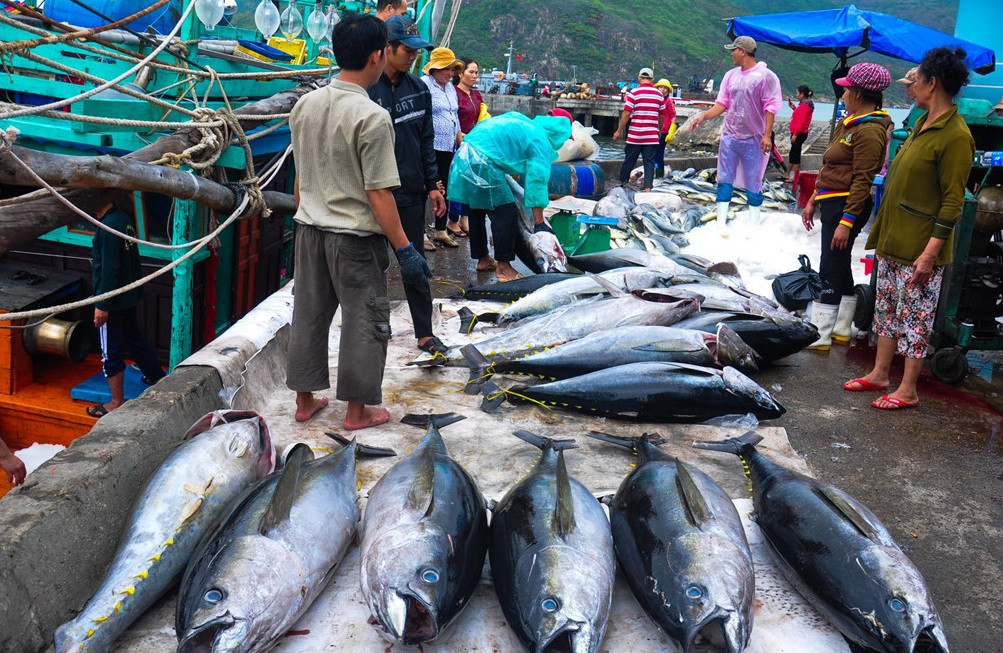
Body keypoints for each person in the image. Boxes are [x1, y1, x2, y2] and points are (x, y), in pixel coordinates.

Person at [285, 13, 430, 429]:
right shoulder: (372, 117)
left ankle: (304, 401)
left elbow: (301, 179)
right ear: (377, 56)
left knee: (308, 313)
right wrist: (405, 248)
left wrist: (305, 213)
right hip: (354, 238)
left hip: (309, 229)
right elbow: (379, 194)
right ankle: (357, 410)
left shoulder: (305, 105)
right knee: (364, 318)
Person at [845, 47, 975, 410]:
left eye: (915, 81)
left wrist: (930, 253)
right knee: (886, 310)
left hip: (920, 246)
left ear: (933, 83)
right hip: (894, 238)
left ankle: (908, 389)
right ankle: (880, 373)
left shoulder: (955, 135)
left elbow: (953, 201)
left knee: (915, 318)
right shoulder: (921, 121)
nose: (910, 88)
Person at [369, 15, 448, 356]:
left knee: (414, 262)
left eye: (417, 51)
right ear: (388, 48)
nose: (414, 56)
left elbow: (426, 140)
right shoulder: (365, 90)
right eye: (408, 50)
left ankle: (424, 333)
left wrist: (433, 184)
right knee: (371, 264)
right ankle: (370, 328)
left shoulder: (419, 90)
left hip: (411, 192)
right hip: (372, 194)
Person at [800, 63, 892, 350]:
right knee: (839, 263)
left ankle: (820, 334)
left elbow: (863, 179)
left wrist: (847, 221)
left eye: (847, 88)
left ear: (859, 93)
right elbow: (831, 166)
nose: (843, 92)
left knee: (829, 265)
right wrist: (813, 199)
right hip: (832, 201)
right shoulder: (849, 123)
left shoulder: (870, 131)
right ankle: (841, 328)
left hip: (846, 204)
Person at [448, 112, 571, 282]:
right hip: (482, 160)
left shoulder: (525, 122)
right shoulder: (540, 141)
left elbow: (504, 144)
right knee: (506, 213)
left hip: (465, 154)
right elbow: (537, 182)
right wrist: (539, 223)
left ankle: (483, 258)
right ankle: (504, 267)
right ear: (557, 135)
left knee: (478, 208)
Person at [688, 36, 782, 229]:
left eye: (734, 50)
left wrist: (766, 135)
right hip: (730, 135)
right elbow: (723, 103)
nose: (731, 53)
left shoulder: (766, 76)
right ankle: (721, 221)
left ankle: (753, 223)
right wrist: (703, 116)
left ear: (743, 51)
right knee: (724, 177)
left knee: (753, 180)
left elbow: (771, 107)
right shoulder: (731, 75)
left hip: (753, 138)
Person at [87, 204, 166, 418]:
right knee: (134, 338)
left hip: (112, 301)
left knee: (109, 351)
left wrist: (102, 304)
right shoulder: (123, 218)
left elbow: (110, 268)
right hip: (127, 296)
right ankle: (156, 377)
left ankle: (116, 402)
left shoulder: (108, 227)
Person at [420, 47, 463, 249]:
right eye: (446, 68)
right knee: (425, 188)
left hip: (448, 146)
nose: (450, 73)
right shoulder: (424, 85)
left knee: (445, 187)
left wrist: (459, 138)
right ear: (434, 68)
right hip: (430, 146)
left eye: (452, 69)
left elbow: (454, 116)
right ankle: (419, 232)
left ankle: (440, 229)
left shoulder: (450, 88)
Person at [452, 58, 486, 252]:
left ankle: (465, 218)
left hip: (473, 144)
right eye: (471, 72)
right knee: (458, 182)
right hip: (457, 143)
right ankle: (453, 219)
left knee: (471, 183)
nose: (474, 76)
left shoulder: (476, 94)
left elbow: (481, 118)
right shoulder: (454, 93)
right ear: (460, 73)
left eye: (476, 73)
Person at [613, 67, 666, 191]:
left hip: (635, 136)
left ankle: (622, 184)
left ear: (639, 78)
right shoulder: (659, 95)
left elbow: (626, 114)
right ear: (652, 79)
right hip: (651, 136)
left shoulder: (634, 93)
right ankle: (648, 188)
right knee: (649, 162)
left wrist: (619, 130)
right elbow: (662, 115)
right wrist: (658, 130)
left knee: (629, 160)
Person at [785, 85, 814, 184]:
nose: (796, 95)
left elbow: (801, 121)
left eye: (798, 93)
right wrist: (794, 108)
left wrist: (795, 134)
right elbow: (800, 115)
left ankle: (795, 177)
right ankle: (787, 173)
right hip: (799, 133)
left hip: (799, 133)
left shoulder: (805, 106)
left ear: (802, 94)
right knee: (793, 153)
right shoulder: (804, 105)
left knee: (796, 155)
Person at [653, 78, 676, 178]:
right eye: (661, 87)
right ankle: (653, 175)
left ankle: (659, 176)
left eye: (665, 88)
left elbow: (673, 116)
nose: (663, 90)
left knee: (659, 154)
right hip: (653, 130)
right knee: (652, 154)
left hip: (663, 131)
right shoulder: (654, 99)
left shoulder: (669, 101)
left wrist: (671, 131)